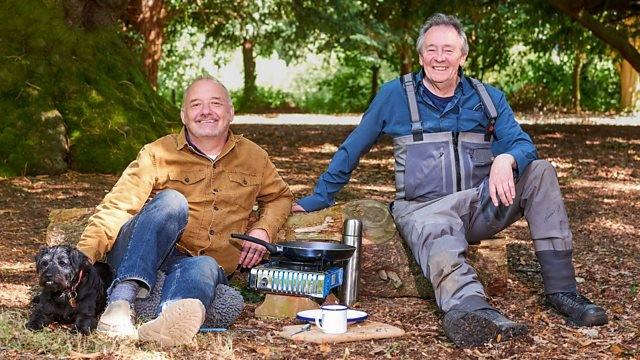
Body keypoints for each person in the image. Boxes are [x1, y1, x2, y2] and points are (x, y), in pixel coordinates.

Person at [292, 13, 607, 348]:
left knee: (541, 172)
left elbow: (523, 144)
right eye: (431, 50)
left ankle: (563, 292)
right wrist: (319, 197)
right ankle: (470, 308)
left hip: (476, 205)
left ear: (462, 56)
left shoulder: (488, 98)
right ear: (420, 56)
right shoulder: (394, 96)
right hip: (422, 210)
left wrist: (507, 158)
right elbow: (351, 149)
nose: (439, 57)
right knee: (436, 223)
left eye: (448, 49)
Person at [77, 76, 293, 346]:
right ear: (183, 115)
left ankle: (167, 320)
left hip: (202, 265)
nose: (206, 111)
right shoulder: (157, 153)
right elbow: (118, 206)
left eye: (215, 103)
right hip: (143, 252)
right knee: (172, 201)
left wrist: (263, 229)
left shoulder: (254, 157)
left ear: (231, 112)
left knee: (206, 265)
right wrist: (82, 258)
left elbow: (280, 197)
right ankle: (120, 301)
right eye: (195, 105)